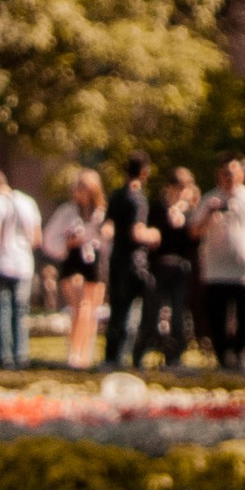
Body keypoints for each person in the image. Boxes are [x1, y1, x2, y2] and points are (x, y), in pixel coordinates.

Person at [194, 154, 245, 370]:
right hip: (215, 271)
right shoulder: (209, 200)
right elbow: (193, 232)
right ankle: (223, 358)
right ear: (218, 175)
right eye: (224, 173)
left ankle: (237, 353)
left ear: (240, 174)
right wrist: (209, 215)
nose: (229, 177)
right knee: (216, 319)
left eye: (233, 173)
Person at [41, 167, 111, 370]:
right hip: (73, 261)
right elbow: (49, 239)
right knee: (81, 307)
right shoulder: (67, 212)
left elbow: (108, 242)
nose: (79, 191)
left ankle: (84, 353)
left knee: (91, 311)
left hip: (95, 262)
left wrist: (103, 234)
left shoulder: (102, 214)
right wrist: (68, 243)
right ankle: (74, 352)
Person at [0, 160, 43, 368]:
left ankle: (5, 357)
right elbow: (36, 239)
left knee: (3, 311)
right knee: (20, 310)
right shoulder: (27, 201)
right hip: (23, 263)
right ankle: (21, 354)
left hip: (1, 262)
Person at [104, 155, 155, 370]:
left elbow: (107, 228)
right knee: (133, 313)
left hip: (116, 259)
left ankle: (111, 356)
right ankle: (125, 357)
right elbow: (137, 233)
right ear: (144, 172)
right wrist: (154, 234)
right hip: (135, 262)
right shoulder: (138, 199)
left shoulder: (116, 196)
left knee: (117, 311)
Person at [148, 166, 202, 367]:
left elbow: (193, 242)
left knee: (179, 314)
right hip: (159, 267)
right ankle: (154, 347)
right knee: (156, 313)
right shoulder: (158, 208)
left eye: (185, 187)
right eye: (178, 187)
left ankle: (176, 354)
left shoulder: (193, 212)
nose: (181, 192)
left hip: (182, 268)